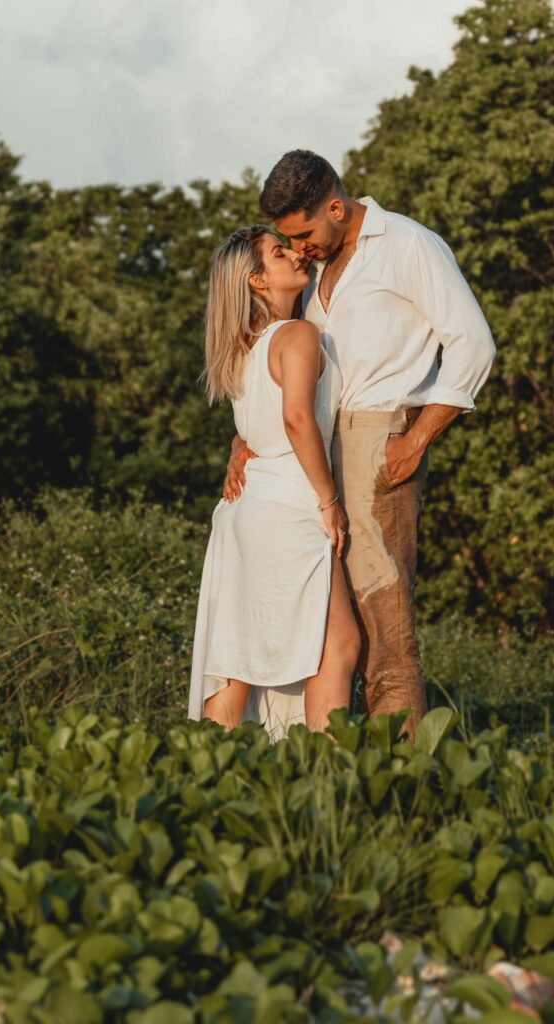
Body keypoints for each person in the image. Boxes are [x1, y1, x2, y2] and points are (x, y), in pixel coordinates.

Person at [225, 151, 496, 742]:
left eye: (303, 234)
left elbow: (474, 343)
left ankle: (404, 773)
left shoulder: (407, 245)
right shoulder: (320, 267)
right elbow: (285, 373)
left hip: (380, 440)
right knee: (329, 624)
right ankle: (335, 760)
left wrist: (418, 437)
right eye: (288, 242)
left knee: (383, 614)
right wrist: (246, 440)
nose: (299, 249)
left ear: (336, 207)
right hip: (317, 451)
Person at [187, 224, 359, 738]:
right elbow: (297, 420)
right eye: (280, 254)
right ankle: (326, 766)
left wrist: (238, 448)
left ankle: (201, 768)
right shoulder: (298, 335)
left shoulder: (243, 348)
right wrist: (329, 501)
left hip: (245, 510)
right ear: (258, 281)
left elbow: (252, 429)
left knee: (238, 652)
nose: (296, 257)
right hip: (289, 506)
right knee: (339, 644)